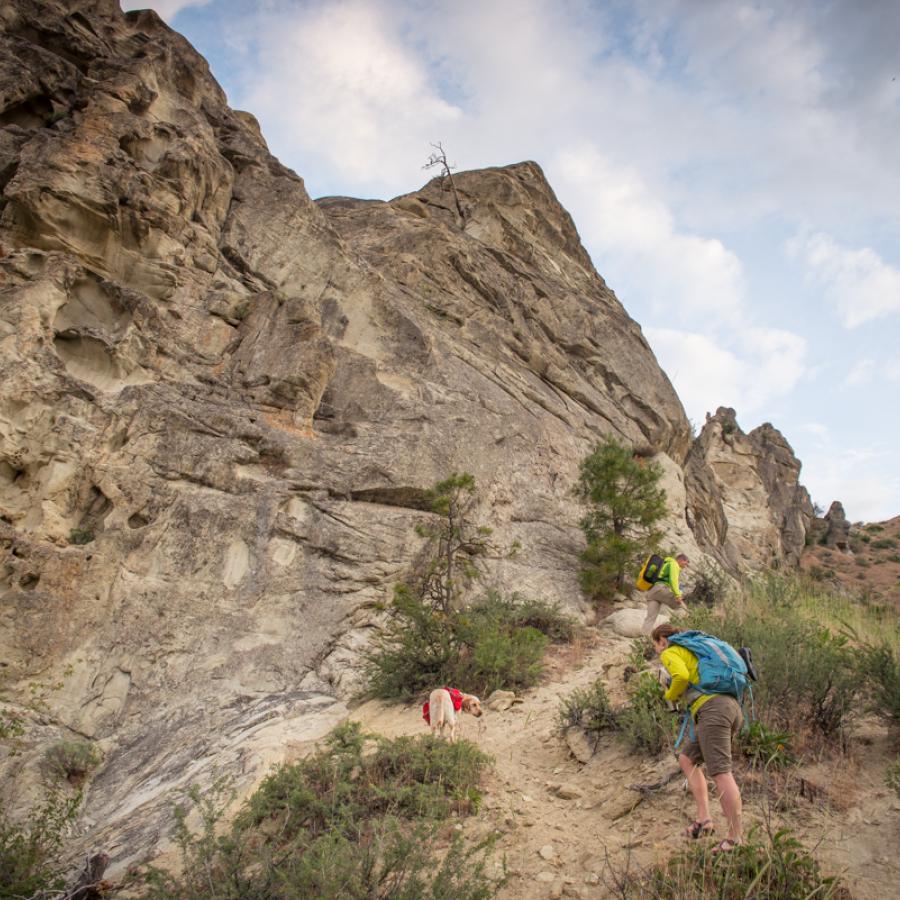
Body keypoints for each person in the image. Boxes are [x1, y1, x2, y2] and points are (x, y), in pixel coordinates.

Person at [651, 622, 743, 852]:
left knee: (721, 772)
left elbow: (680, 676)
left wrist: (669, 695)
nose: (656, 650)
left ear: (662, 640)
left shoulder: (671, 651)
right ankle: (704, 820)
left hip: (713, 710)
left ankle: (735, 839)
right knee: (687, 759)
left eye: (655, 645)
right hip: (729, 707)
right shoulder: (694, 650)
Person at [641, 553, 689, 635]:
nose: (686, 565)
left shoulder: (664, 563)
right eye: (686, 562)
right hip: (661, 589)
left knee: (650, 618)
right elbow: (673, 580)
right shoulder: (674, 564)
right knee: (683, 609)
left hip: (651, 591)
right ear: (680, 560)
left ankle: (645, 638)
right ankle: (671, 631)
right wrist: (678, 595)